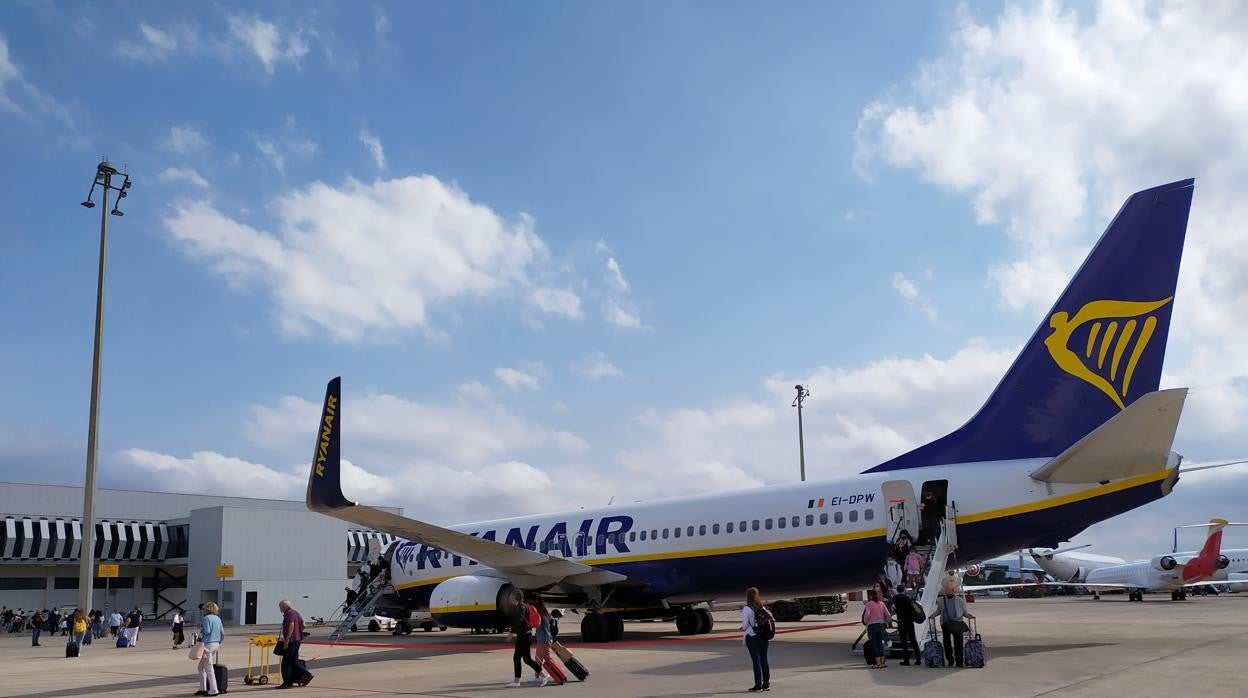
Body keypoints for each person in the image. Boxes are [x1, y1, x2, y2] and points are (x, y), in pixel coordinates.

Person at [928, 581, 975, 668]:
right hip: (946, 624)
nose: (947, 594)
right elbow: (939, 610)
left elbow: (964, 613)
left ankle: (959, 661)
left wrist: (969, 616)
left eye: (949, 592)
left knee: (958, 643)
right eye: (946, 592)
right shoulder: (942, 600)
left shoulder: (960, 601)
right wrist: (933, 615)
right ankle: (950, 659)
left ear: (953, 591)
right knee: (947, 643)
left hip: (957, 623)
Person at [505, 591, 544, 687]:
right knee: (527, 659)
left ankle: (516, 681)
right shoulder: (524, 606)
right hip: (526, 635)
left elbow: (519, 620)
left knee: (516, 658)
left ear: (514, 598)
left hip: (523, 636)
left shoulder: (521, 607)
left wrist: (511, 633)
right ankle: (543, 675)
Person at [278, 598, 313, 688]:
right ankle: (305, 675)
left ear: (284, 606)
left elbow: (291, 624)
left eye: (280, 607)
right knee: (294, 660)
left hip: (292, 641)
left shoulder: (289, 614)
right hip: (298, 640)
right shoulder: (295, 612)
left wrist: (287, 639)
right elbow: (304, 625)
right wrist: (298, 632)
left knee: (286, 662)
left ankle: (288, 683)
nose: (279, 609)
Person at [741, 587, 771, 692]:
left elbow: (745, 625)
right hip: (763, 636)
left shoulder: (747, 608)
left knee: (756, 661)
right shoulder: (762, 607)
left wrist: (742, 627)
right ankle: (766, 684)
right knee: (764, 660)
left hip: (752, 637)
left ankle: (758, 685)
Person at [195, 601, 223, 697]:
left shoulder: (206, 618)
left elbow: (207, 631)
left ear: (207, 609)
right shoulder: (218, 618)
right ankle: (202, 688)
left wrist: (201, 631)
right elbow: (222, 633)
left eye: (204, 608)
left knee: (208, 668)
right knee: (201, 667)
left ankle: (213, 690)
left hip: (208, 644)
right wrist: (218, 642)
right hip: (216, 644)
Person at [891, 585, 921, 666]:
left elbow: (893, 609)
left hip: (901, 621)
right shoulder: (908, 598)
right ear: (904, 590)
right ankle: (918, 659)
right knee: (913, 639)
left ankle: (906, 660)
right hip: (909, 621)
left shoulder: (895, 599)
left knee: (903, 641)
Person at [862, 589, 889, 669]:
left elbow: (867, 615)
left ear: (870, 596)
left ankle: (878, 663)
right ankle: (883, 662)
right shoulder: (882, 604)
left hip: (872, 626)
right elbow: (888, 615)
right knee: (880, 643)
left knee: (874, 644)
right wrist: (886, 622)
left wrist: (865, 621)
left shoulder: (869, 604)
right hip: (880, 625)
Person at [532, 600, 554, 682]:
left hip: (543, 641)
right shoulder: (545, 616)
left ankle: (537, 677)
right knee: (546, 659)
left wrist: (547, 639)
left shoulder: (541, 617)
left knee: (538, 659)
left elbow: (545, 630)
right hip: (545, 640)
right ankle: (556, 673)